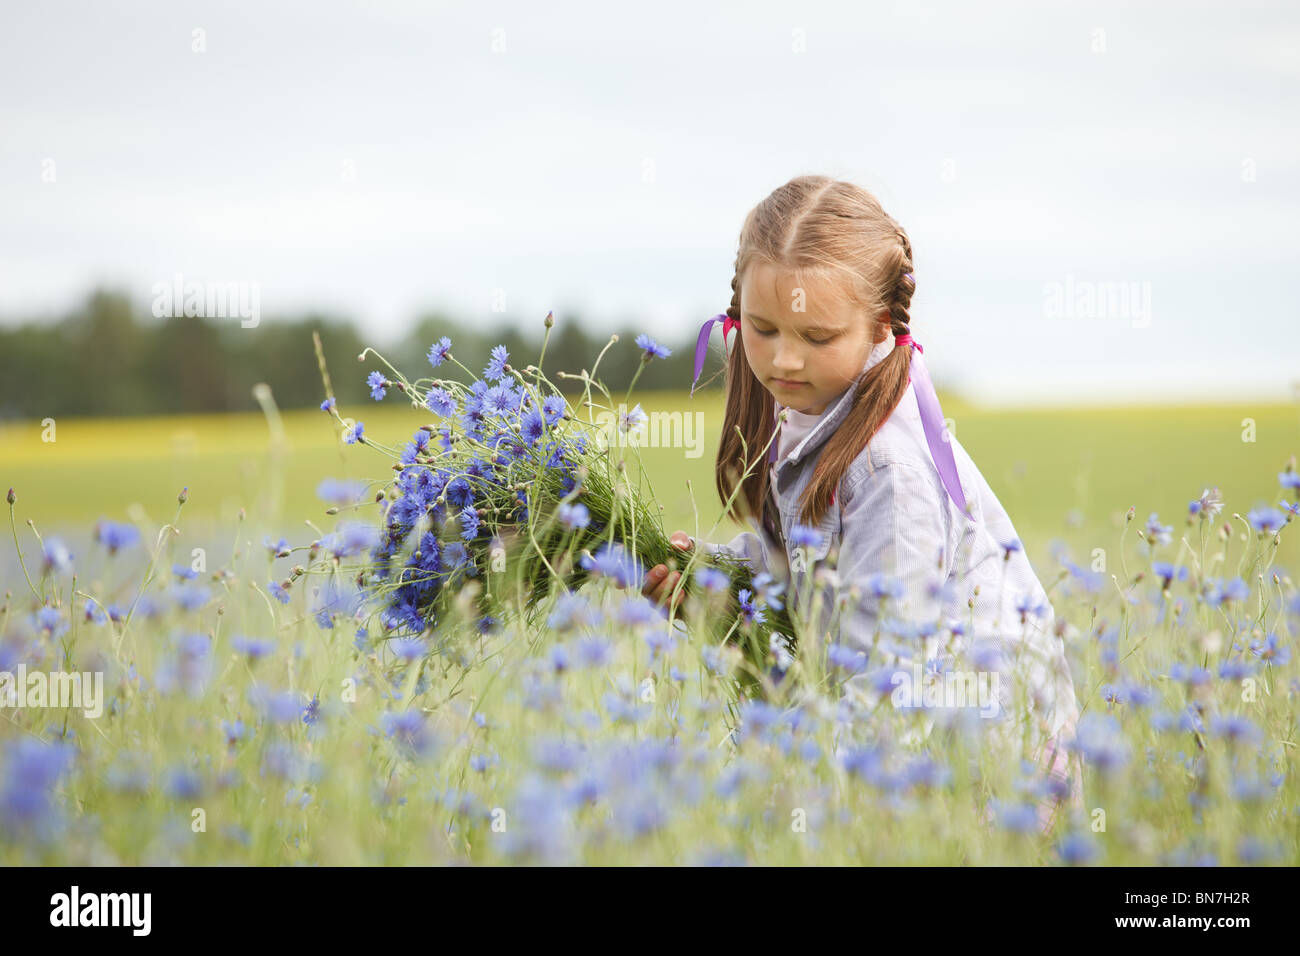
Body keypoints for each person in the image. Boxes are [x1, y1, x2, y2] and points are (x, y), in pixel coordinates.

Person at [642, 174, 1082, 835]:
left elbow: (889, 680)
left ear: (879, 326)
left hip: (984, 782)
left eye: (816, 337)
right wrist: (707, 578)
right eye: (762, 329)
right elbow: (799, 569)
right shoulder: (817, 411)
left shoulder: (888, 470)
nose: (784, 360)